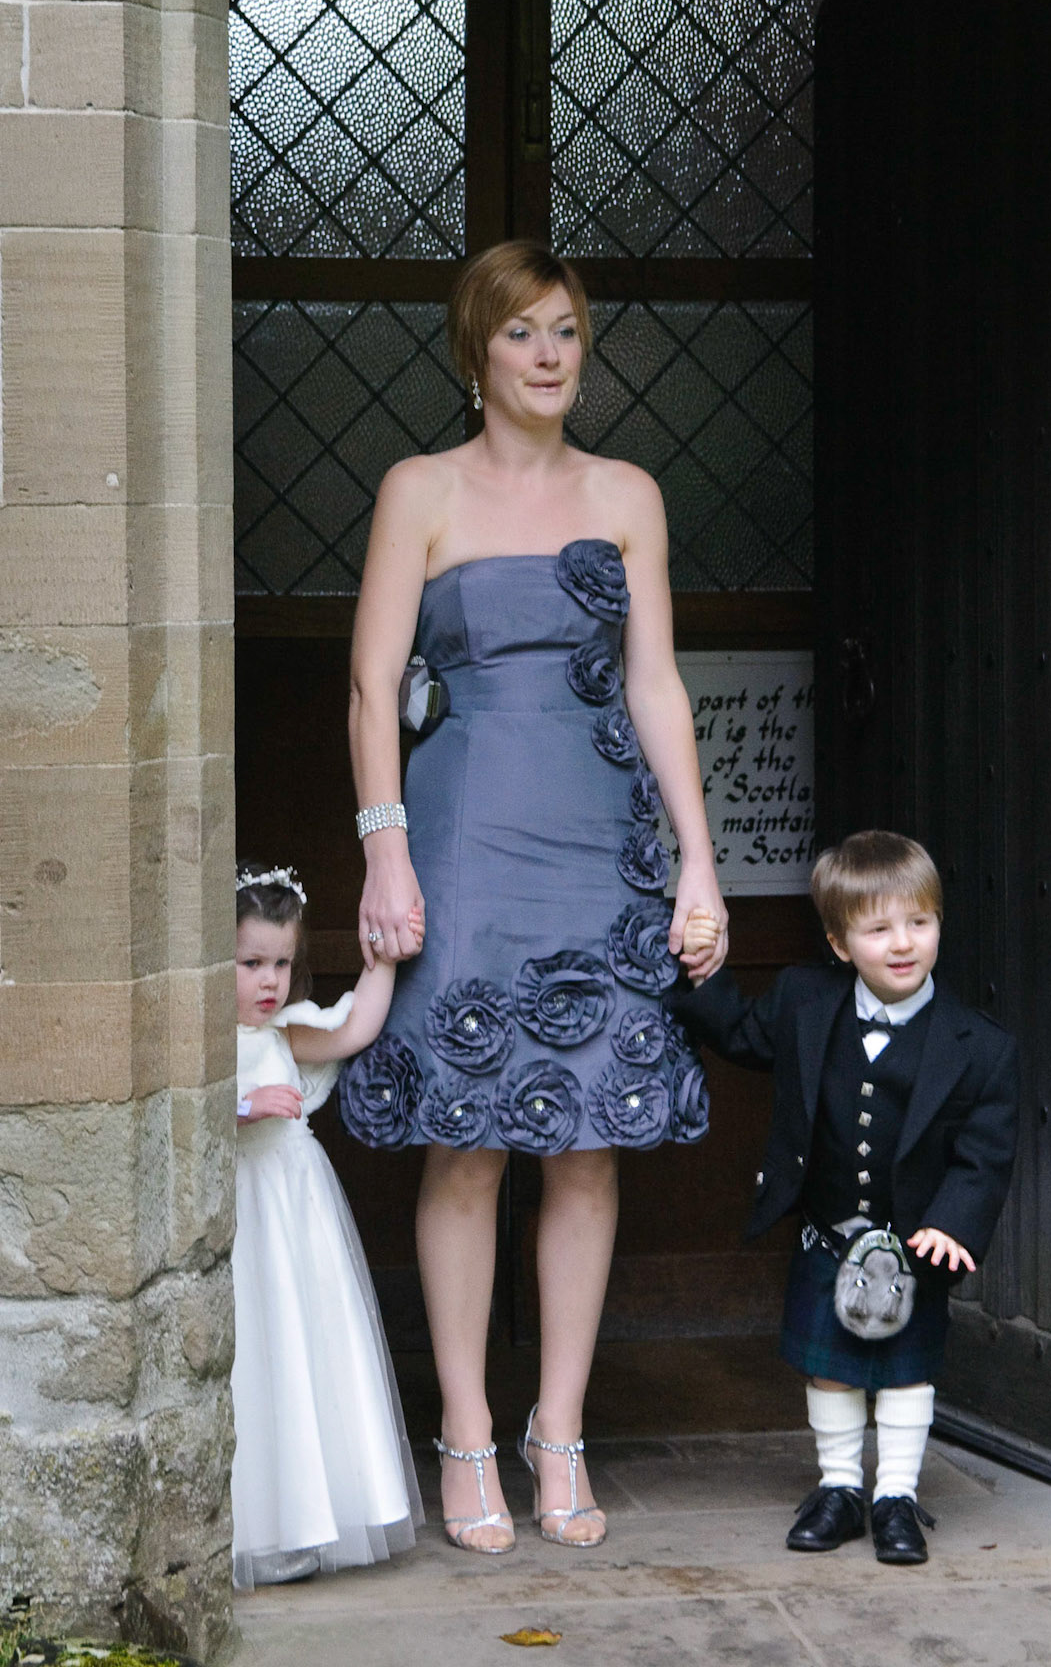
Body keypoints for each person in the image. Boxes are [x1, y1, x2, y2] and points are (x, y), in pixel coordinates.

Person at [342, 240, 728, 1556]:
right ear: (475, 353)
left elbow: (656, 683)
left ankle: (557, 1429)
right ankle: (464, 1430)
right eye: (521, 331)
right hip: (461, 834)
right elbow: (371, 687)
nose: (549, 352)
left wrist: (697, 858)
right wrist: (386, 852)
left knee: (589, 1138)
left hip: (596, 838)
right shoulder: (419, 488)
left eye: (565, 329)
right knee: (466, 1141)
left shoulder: (628, 493)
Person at [668, 830, 1019, 1566]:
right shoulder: (804, 1001)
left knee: (906, 1372)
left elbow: (985, 1153)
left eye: (919, 922)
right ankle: (838, 1489)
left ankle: (895, 1497)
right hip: (827, 1236)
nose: (903, 943)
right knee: (829, 1367)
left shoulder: (979, 1045)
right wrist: (703, 974)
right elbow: (739, 1034)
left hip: (912, 1245)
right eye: (879, 928)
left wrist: (953, 1222)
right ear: (838, 942)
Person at [231, 861, 425, 1589]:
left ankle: (316, 1516)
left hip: (296, 1209)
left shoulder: (285, 1033)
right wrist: (243, 1107)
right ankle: (259, 1526)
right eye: (251, 964)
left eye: (282, 963)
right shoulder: (201, 1040)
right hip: (244, 1210)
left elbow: (352, 1028)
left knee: (307, 1344)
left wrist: (382, 960)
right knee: (259, 1349)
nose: (270, 981)